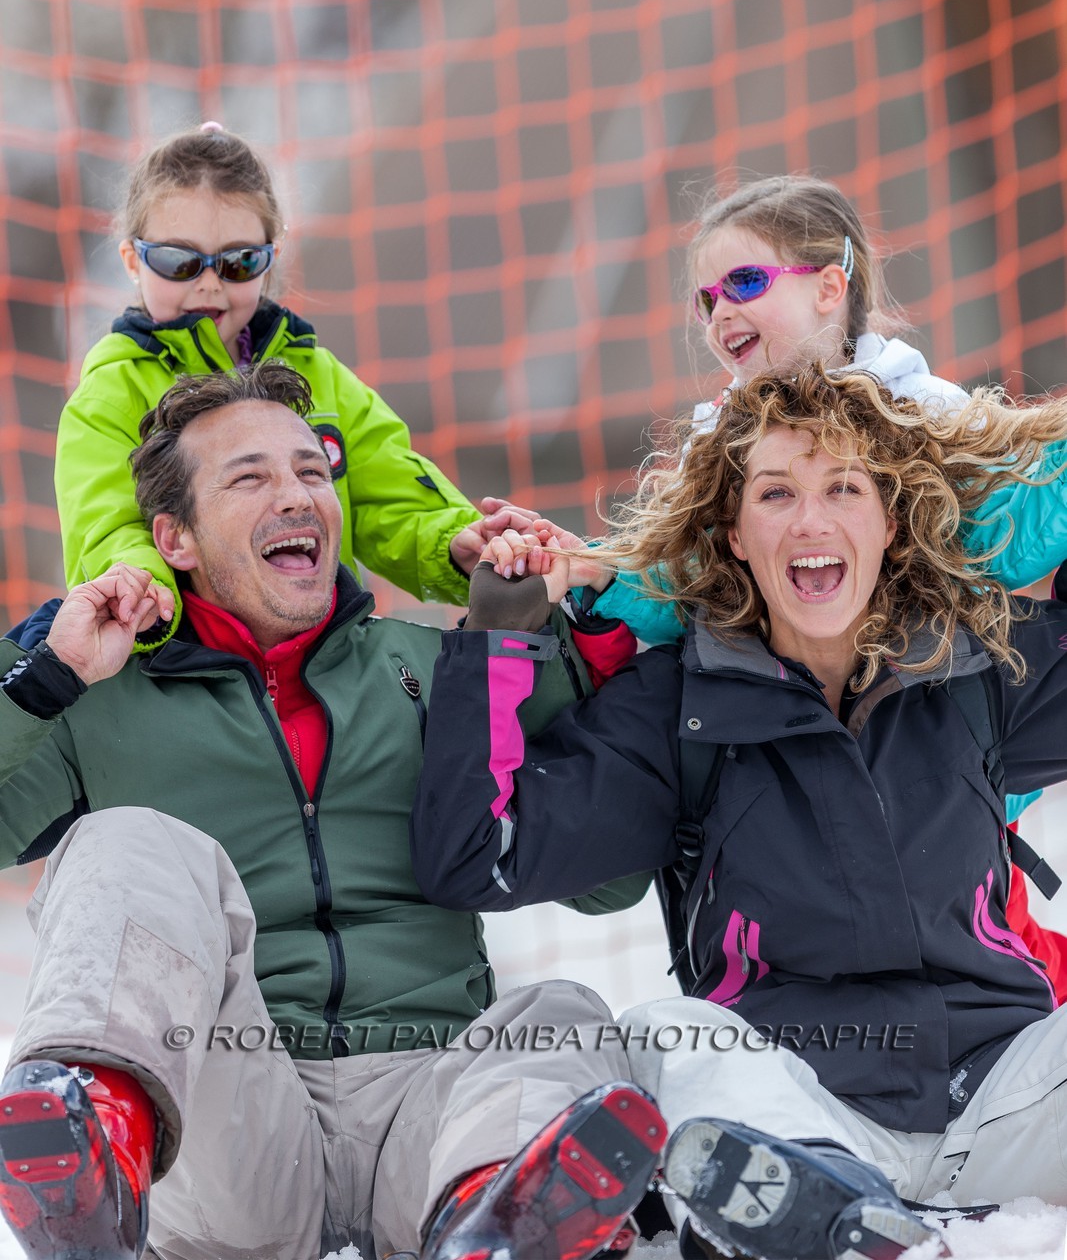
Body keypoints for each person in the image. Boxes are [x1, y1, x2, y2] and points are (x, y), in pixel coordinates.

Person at [0, 361, 664, 1260]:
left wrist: (549, 648)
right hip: (225, 1113)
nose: (297, 494)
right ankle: (92, 1145)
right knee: (125, 840)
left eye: (312, 472)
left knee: (563, 1009)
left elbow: (609, 884)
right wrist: (47, 678)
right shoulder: (105, 690)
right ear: (175, 539)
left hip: (430, 1109)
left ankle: (497, 1224)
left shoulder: (433, 668)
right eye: (250, 477)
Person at [413, 367, 1067, 1260]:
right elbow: (476, 854)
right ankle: (814, 1219)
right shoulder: (678, 709)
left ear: (888, 520)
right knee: (659, 1030)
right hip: (793, 1115)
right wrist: (498, 633)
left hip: (1000, 1101)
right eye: (775, 493)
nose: (810, 520)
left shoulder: (978, 667)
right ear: (732, 535)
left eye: (844, 488)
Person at [571, 174, 1067, 990]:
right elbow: (679, 586)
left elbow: (1014, 521)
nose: (719, 312)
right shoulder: (720, 454)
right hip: (792, 795)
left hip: (941, 788)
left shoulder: (921, 415)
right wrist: (591, 578)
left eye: (744, 283)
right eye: (705, 299)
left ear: (830, 288)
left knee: (979, 976)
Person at [40, 123, 525, 652]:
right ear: (133, 259)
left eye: (237, 262)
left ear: (270, 258)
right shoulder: (111, 393)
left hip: (327, 660)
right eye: (178, 261)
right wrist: (143, 592)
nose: (209, 283)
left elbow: (392, 499)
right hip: (187, 669)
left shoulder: (318, 374)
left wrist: (452, 541)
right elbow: (108, 529)